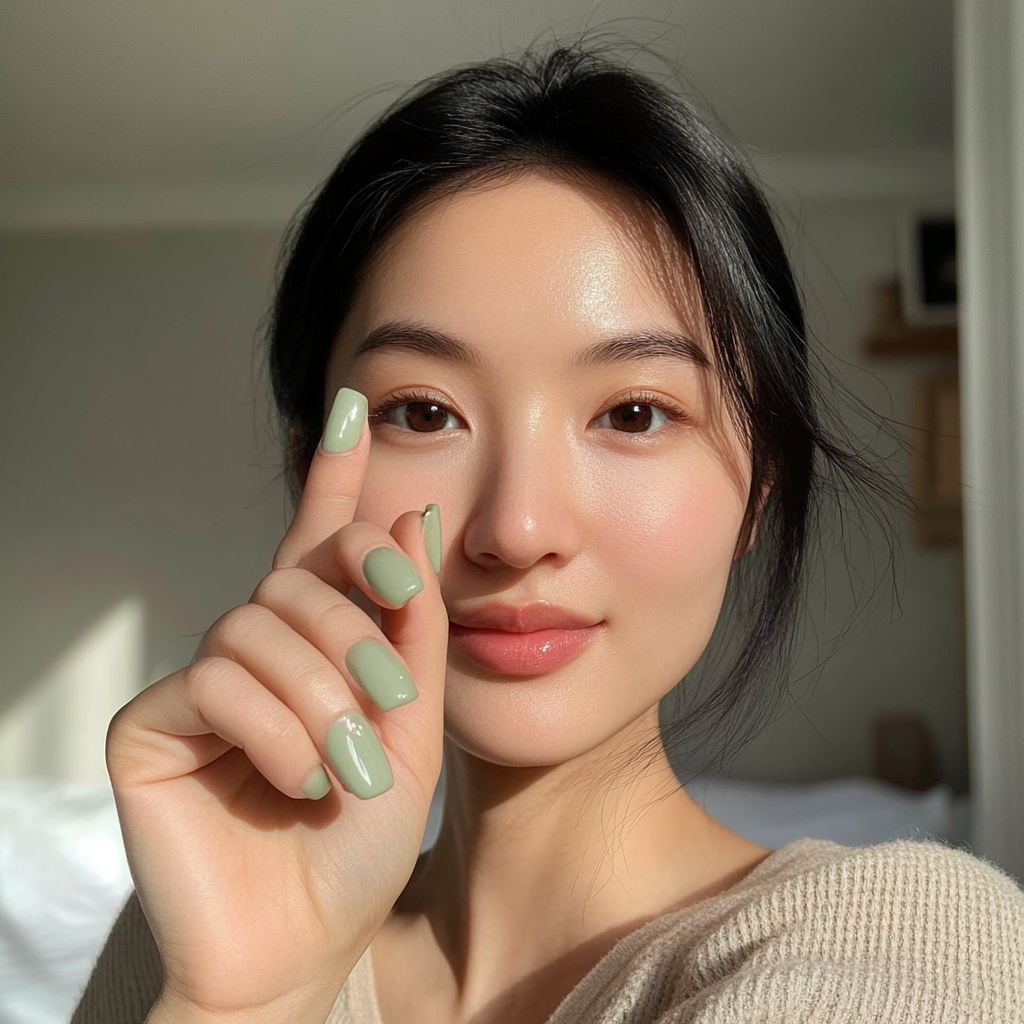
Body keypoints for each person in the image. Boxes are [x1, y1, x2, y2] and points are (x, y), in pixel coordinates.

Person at [72, 44, 1023, 1024]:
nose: (516, 530)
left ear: (758, 487)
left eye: (635, 413)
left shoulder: (913, 950)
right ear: (318, 460)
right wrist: (241, 1002)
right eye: (424, 413)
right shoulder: (196, 929)